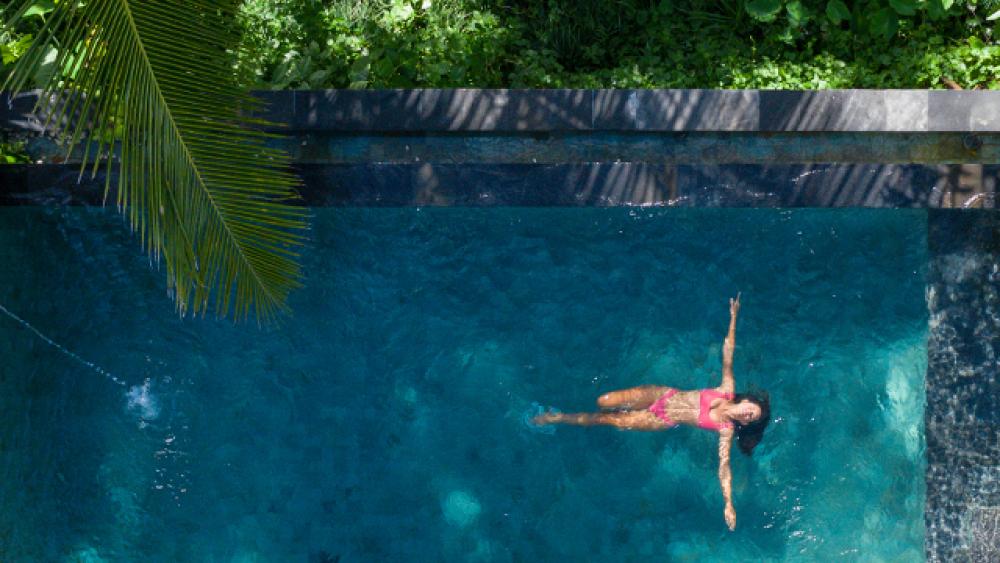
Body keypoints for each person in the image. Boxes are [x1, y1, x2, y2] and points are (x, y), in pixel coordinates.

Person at [532, 294, 770, 531]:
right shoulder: (726, 389)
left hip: (661, 418)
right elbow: (728, 352)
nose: (750, 414)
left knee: (606, 419)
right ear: (747, 401)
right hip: (662, 395)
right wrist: (734, 316)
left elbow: (724, 465)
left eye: (753, 418)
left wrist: (728, 503)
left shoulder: (726, 430)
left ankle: (560, 417)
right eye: (752, 409)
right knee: (603, 401)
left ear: (746, 423)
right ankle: (576, 404)